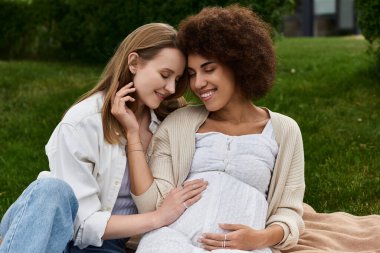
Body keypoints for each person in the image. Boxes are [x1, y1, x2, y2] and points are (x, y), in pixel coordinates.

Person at [0, 23, 207, 253]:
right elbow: (82, 224)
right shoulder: (82, 121)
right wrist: (158, 217)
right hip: (60, 233)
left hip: (108, 245)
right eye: (164, 75)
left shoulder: (170, 125)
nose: (170, 88)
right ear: (134, 63)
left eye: (177, 79)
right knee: (50, 189)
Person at [123, 5, 305, 253]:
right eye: (191, 74)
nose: (198, 84)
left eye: (209, 69)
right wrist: (133, 135)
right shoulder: (178, 123)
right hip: (173, 240)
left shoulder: (283, 130)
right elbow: (150, 206)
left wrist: (260, 238)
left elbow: (289, 211)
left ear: (239, 64)